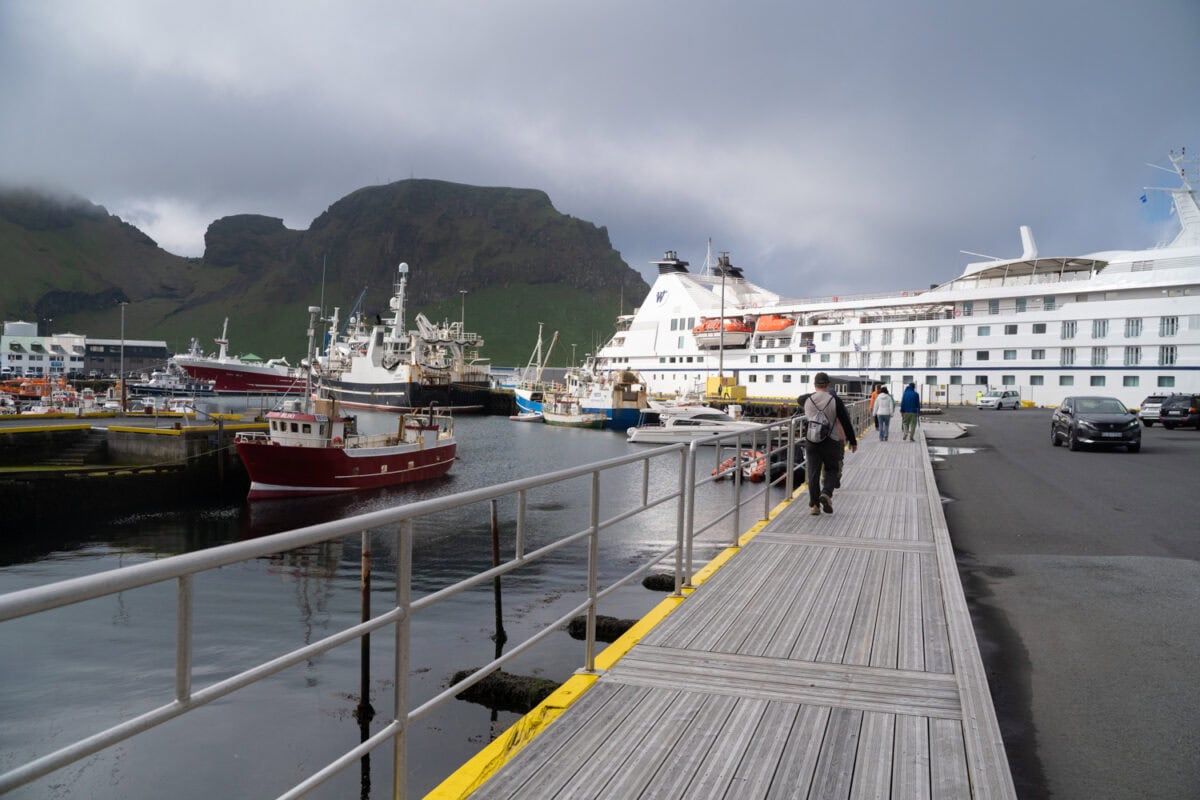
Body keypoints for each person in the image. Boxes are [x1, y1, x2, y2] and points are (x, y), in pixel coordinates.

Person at [798, 372, 858, 516]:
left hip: (812, 440)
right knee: (832, 469)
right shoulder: (835, 400)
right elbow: (845, 421)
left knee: (813, 473)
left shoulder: (806, 399)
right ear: (828, 384)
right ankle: (826, 493)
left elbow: (799, 398)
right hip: (830, 440)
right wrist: (852, 441)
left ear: (815, 385)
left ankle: (814, 506)